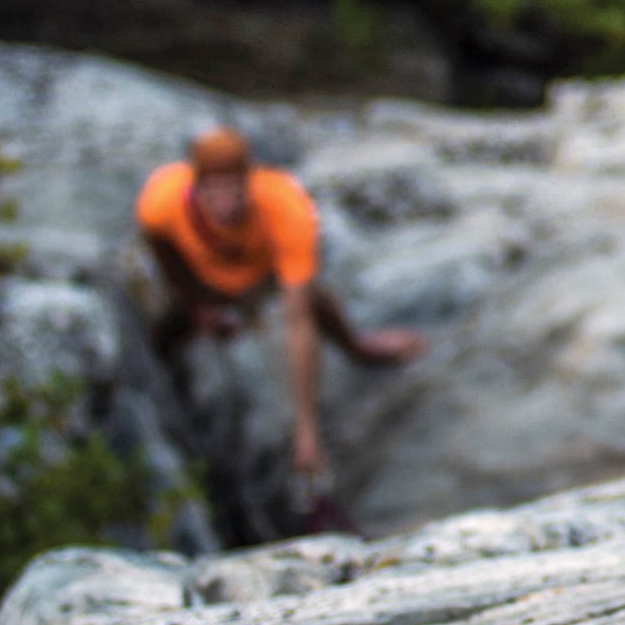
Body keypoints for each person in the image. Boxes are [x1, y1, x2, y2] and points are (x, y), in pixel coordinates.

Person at [134, 126, 424, 509]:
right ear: (195, 185)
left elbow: (298, 320)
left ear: (250, 180)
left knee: (315, 301)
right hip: (202, 278)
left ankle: (356, 346)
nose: (225, 203)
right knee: (166, 330)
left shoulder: (285, 205)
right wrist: (198, 307)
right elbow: (164, 252)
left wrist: (306, 430)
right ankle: (156, 383)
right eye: (213, 191)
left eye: (233, 188)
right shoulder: (162, 204)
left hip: (263, 276)